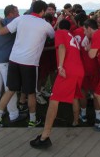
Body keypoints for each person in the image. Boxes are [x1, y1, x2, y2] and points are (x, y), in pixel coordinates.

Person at [0, 0, 55, 128]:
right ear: (42, 11)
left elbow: (2, 31)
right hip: (30, 63)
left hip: (14, 60)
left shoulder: (21, 19)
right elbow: (52, 36)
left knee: (10, 90)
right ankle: (32, 120)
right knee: (31, 93)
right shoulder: (45, 24)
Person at [30, 19, 84, 149]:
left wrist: (60, 66)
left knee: (54, 101)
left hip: (68, 70)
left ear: (59, 26)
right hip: (79, 70)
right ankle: (76, 121)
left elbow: (61, 47)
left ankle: (44, 136)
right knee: (75, 96)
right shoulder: (72, 36)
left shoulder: (60, 33)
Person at [0, 5, 27, 123]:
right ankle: (13, 114)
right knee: (10, 88)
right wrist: (34, 0)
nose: (19, 15)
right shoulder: (13, 24)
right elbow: (29, 14)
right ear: (11, 14)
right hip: (6, 62)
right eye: (17, 12)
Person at [73, 13, 100, 126]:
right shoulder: (97, 33)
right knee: (96, 93)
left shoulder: (75, 33)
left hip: (82, 67)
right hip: (95, 66)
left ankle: (84, 114)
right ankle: (98, 116)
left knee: (83, 92)